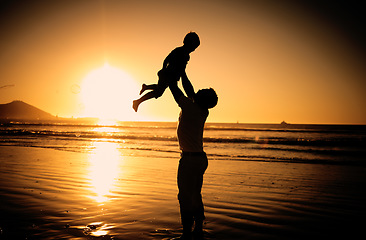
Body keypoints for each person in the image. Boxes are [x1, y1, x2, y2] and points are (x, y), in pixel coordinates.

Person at [168, 72, 218, 239]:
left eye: (200, 92)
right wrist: (182, 73)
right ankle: (197, 227)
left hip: (189, 160)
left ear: (200, 97)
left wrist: (171, 77)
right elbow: (190, 90)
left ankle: (186, 232)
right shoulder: (202, 110)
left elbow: (176, 91)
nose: (197, 92)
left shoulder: (190, 107)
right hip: (199, 159)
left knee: (184, 195)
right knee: (195, 193)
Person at [132, 32, 200, 112]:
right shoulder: (179, 51)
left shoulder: (186, 55)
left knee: (160, 88)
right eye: (193, 47)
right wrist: (164, 70)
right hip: (168, 75)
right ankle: (137, 101)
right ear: (188, 43)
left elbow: (182, 69)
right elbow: (166, 60)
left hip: (173, 77)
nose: (194, 49)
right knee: (158, 92)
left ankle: (145, 87)